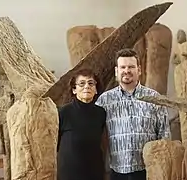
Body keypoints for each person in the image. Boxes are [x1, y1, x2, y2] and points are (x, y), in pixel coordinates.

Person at [95, 48, 171, 180]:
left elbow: (164, 134)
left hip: (148, 171)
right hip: (117, 171)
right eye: (123, 67)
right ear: (116, 71)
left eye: (131, 66)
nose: (127, 70)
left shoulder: (154, 98)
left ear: (139, 70)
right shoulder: (104, 101)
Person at [57, 69, 107, 180]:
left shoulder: (101, 113)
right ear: (74, 89)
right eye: (81, 83)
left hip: (95, 173)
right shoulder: (63, 112)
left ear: (96, 89)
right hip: (69, 174)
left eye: (91, 83)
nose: (86, 86)